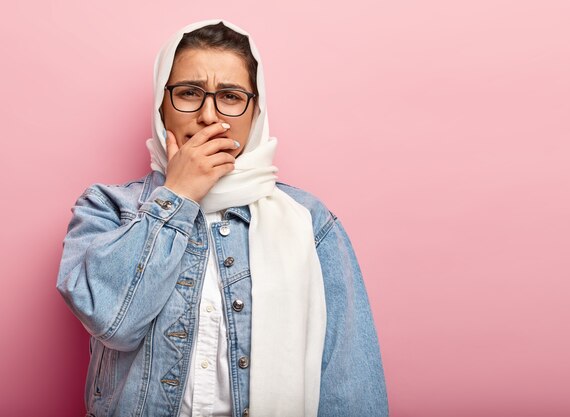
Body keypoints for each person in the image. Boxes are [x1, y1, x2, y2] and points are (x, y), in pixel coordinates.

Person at [56, 19, 388, 417]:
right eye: (189, 93)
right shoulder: (108, 209)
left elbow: (347, 386)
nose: (209, 116)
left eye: (230, 96)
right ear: (161, 105)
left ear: (257, 110)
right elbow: (113, 322)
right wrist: (178, 195)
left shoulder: (310, 223)